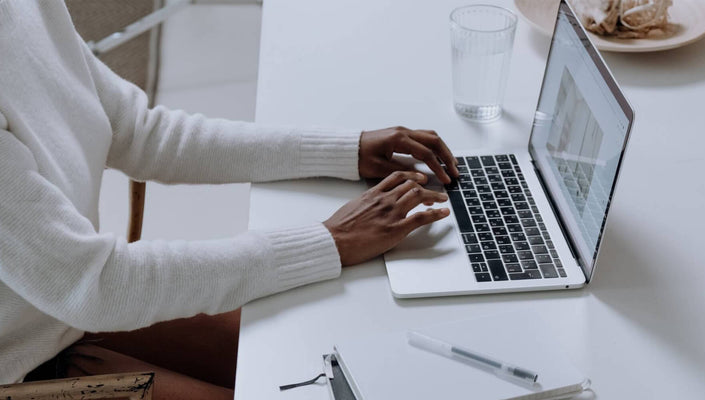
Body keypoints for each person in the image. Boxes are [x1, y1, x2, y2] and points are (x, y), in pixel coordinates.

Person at [0, 1, 459, 399]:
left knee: (322, 349)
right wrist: (330, 241)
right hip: (23, 368)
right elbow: (98, 284)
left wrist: (344, 150)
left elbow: (138, 130)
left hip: (65, 314)